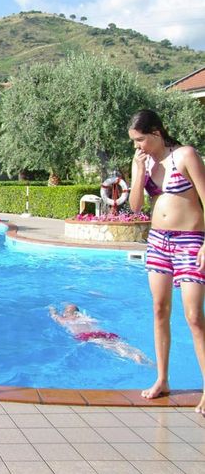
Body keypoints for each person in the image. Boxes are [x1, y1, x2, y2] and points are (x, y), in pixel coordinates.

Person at [128, 109, 205, 413]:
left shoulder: (185, 156)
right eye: (135, 142)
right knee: (159, 310)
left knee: (194, 317)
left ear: (157, 133)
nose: (138, 147)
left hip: (190, 242)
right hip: (158, 242)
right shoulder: (145, 163)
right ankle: (162, 379)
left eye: (141, 140)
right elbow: (135, 207)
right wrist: (137, 173)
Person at [49, 303, 151, 365]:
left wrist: (52, 309)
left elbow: (54, 315)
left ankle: (133, 357)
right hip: (102, 333)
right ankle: (146, 359)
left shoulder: (65, 319)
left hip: (87, 336)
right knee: (121, 345)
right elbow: (96, 322)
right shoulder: (84, 317)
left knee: (109, 347)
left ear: (65, 313)